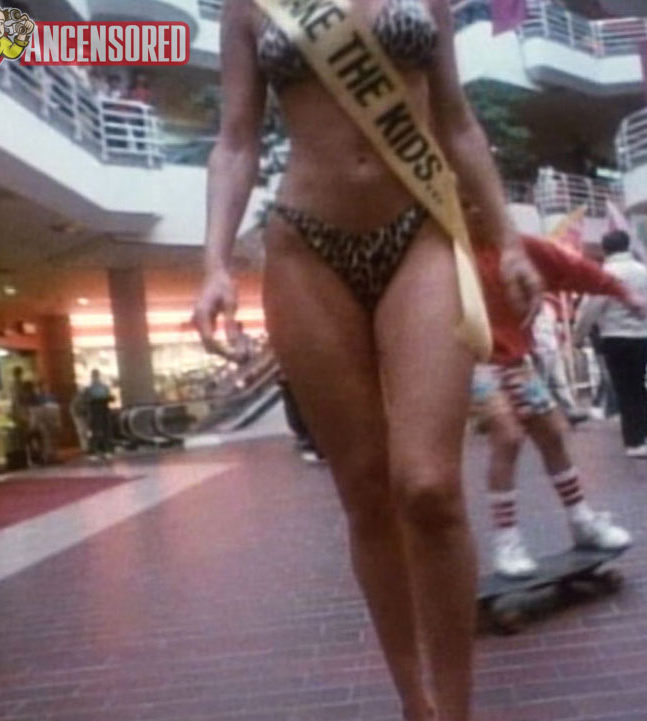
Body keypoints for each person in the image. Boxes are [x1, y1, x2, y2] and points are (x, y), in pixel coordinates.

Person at [191, 2, 542, 719]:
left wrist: (509, 239)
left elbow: (457, 121)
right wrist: (215, 264)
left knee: (428, 486)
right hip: (305, 246)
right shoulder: (249, 6)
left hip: (420, 233)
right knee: (365, 489)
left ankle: (457, 710)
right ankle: (417, 703)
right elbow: (235, 141)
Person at [470, 221, 637, 577]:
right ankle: (506, 540)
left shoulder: (515, 246)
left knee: (552, 432)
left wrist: (621, 291)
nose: (473, 207)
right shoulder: (445, 254)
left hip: (514, 361)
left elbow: (570, 267)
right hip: (470, 362)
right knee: (507, 436)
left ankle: (580, 519)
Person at [575, 230, 647, 458]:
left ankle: (635, 441)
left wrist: (578, 336)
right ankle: (645, 425)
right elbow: (646, 300)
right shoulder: (642, 271)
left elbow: (592, 307)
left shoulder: (605, 273)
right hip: (641, 335)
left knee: (624, 389)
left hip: (614, 336)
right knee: (638, 383)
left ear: (605, 249)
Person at [531, 294, 589, 426]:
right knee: (542, 382)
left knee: (559, 381)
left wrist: (560, 339)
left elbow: (555, 326)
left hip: (551, 346)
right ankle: (542, 416)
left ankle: (569, 410)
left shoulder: (548, 306)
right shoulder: (529, 307)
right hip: (539, 348)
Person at [83, 370, 113, 461]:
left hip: (102, 410)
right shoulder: (89, 388)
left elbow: (109, 397)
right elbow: (86, 400)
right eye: (94, 376)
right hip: (95, 411)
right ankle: (96, 451)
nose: (95, 377)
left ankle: (105, 450)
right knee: (95, 432)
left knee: (104, 431)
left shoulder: (103, 387)